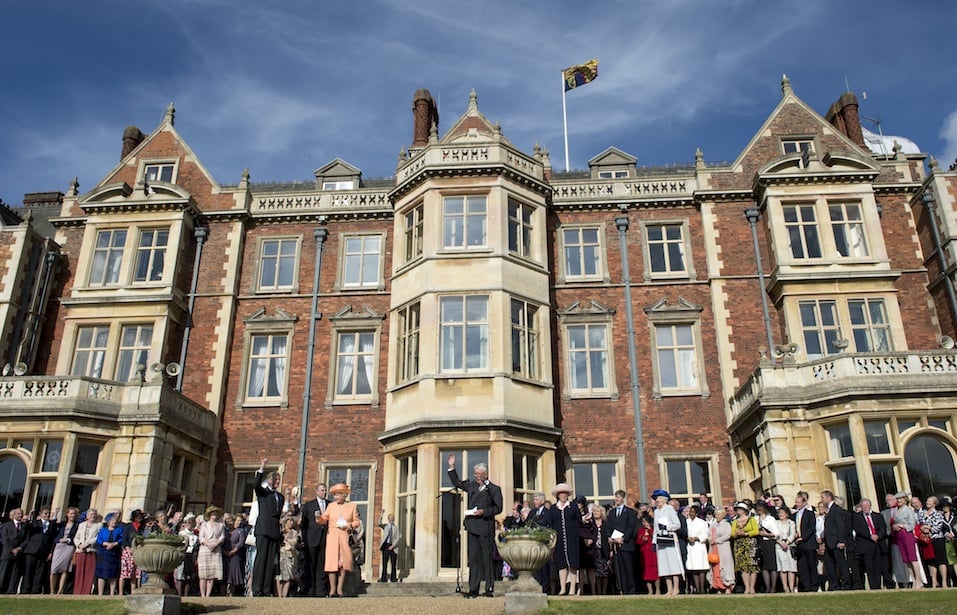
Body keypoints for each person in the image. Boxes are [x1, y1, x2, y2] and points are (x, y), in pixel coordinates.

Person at [446, 454, 503, 598]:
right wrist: (452, 467)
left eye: (479, 474)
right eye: (475, 474)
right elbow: (458, 483)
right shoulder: (471, 486)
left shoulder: (494, 489)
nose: (476, 476)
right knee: (474, 558)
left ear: (485, 474)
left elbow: (498, 508)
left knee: (487, 558)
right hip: (472, 527)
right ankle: (474, 588)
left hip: (485, 527)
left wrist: (484, 512)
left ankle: (489, 587)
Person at [319, 483, 361, 598]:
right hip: (332, 536)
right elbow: (324, 519)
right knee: (332, 563)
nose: (335, 497)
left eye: (337, 495)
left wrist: (348, 524)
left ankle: (340, 588)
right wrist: (318, 518)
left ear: (344, 496)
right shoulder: (331, 506)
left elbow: (357, 522)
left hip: (344, 535)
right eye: (335, 495)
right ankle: (332, 589)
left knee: (343, 563)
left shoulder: (352, 506)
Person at [251, 458, 284, 597]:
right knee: (261, 559)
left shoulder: (280, 497)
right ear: (270, 480)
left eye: (279, 480)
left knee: (270, 561)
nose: (278, 482)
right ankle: (257, 589)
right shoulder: (263, 493)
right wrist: (262, 468)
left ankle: (266, 589)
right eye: (276, 480)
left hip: (274, 530)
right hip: (263, 529)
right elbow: (256, 485)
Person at [300, 483, 330, 596]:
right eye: (322, 490)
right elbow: (303, 523)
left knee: (321, 565)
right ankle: (310, 589)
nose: (324, 492)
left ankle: (321, 590)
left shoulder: (329, 505)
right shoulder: (309, 505)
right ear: (317, 492)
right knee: (310, 564)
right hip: (312, 538)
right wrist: (305, 538)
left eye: (325, 490)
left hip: (325, 539)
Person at [652, 489, 682, 596]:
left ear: (665, 499)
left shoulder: (669, 509)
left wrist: (667, 527)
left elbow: (677, 524)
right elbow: (655, 528)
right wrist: (654, 542)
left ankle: (676, 588)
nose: (657, 500)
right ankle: (669, 589)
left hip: (670, 539)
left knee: (673, 563)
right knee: (664, 564)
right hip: (660, 540)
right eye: (656, 498)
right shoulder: (656, 511)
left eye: (659, 498)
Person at [607, 490, 638, 594]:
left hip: (626, 544)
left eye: (619, 497)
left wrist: (623, 538)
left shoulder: (629, 512)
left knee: (628, 568)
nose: (616, 499)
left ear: (623, 498)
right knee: (619, 568)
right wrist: (610, 537)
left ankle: (631, 589)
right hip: (616, 545)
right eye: (615, 497)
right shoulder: (612, 513)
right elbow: (609, 527)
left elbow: (631, 527)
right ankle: (622, 589)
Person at [22, 505, 57, 593]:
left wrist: (50, 552)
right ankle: (26, 589)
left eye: (48, 513)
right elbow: (26, 528)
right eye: (45, 513)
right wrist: (30, 517)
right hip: (31, 550)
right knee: (28, 571)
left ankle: (35, 590)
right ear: (40, 514)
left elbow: (52, 539)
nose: (47, 515)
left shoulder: (52, 525)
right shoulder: (35, 523)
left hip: (43, 551)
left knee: (39, 572)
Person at [821, 490, 851, 591]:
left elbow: (840, 526)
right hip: (829, 543)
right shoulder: (829, 510)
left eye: (823, 497)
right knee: (830, 565)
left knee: (841, 564)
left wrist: (841, 541)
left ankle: (846, 585)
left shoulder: (836, 509)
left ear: (829, 497)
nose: (822, 500)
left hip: (836, 542)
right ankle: (834, 585)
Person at [892, 491, 922, 588]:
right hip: (899, 535)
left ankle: (919, 580)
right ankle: (913, 579)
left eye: (901, 499)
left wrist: (902, 525)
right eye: (898, 499)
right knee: (906, 559)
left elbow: (912, 525)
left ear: (905, 500)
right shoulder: (896, 510)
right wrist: (895, 526)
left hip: (907, 534)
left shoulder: (908, 510)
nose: (899, 501)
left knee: (912, 557)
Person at [527, 492, 554, 592]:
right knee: (535, 568)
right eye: (534, 500)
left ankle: (545, 589)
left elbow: (550, 527)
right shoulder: (532, 513)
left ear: (542, 500)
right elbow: (527, 525)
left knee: (544, 568)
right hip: (533, 544)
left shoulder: (548, 512)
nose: (534, 502)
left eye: (536, 499)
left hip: (543, 544)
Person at [50, 507, 79, 594]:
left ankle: (60, 590)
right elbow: (52, 528)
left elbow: (76, 536)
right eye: (71, 513)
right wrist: (55, 514)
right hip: (59, 546)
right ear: (67, 514)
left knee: (65, 569)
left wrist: (68, 540)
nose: (72, 515)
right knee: (53, 569)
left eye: (74, 514)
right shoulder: (62, 524)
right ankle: (52, 590)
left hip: (69, 547)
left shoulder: (77, 525)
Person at [198, 505, 225, 597]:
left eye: (216, 514)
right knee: (203, 574)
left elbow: (222, 536)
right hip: (205, 548)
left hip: (216, 549)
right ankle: (202, 594)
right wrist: (208, 544)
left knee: (212, 573)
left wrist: (216, 544)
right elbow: (201, 537)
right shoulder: (204, 524)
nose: (214, 515)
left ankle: (208, 594)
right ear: (209, 515)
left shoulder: (221, 525)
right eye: (213, 514)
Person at [732, 502, 759, 594]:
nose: (738, 511)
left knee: (752, 566)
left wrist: (746, 533)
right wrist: (737, 533)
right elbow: (732, 533)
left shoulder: (751, 519)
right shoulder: (735, 521)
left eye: (740, 509)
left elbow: (756, 531)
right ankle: (747, 587)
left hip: (750, 543)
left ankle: (752, 587)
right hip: (739, 544)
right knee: (743, 566)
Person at [921, 496, 947, 588]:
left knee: (941, 560)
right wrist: (923, 529)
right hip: (927, 540)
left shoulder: (938, 514)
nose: (927, 502)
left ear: (934, 503)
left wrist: (929, 529)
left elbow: (938, 527)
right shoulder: (922, 513)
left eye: (930, 501)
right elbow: (920, 524)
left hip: (937, 539)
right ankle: (934, 581)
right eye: (927, 500)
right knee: (931, 561)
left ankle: (944, 582)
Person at [0, 508, 28, 594]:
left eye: (21, 514)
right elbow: (5, 539)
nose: (20, 515)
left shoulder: (24, 526)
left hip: (18, 554)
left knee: (15, 573)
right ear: (14, 515)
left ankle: (11, 590)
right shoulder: (6, 525)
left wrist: (19, 548)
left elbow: (26, 539)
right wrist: (11, 549)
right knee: (3, 572)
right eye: (18, 514)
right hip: (7, 553)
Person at [95, 512, 123, 596]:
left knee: (113, 573)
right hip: (103, 553)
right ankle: (100, 593)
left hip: (114, 553)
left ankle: (112, 593)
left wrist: (114, 544)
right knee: (101, 573)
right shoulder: (103, 530)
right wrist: (105, 544)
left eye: (115, 520)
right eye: (112, 520)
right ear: (108, 521)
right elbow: (98, 540)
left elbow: (121, 539)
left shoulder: (119, 529)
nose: (114, 522)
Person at [685, 504, 709, 594]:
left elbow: (705, 535)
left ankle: (702, 588)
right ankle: (697, 589)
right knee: (694, 568)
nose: (691, 514)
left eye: (692, 512)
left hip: (699, 546)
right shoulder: (687, 522)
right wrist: (688, 538)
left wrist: (697, 538)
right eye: (690, 512)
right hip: (691, 547)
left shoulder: (702, 522)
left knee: (701, 567)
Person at [709, 507, 734, 593]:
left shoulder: (726, 524)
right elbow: (709, 534)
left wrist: (717, 540)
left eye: (718, 514)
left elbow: (727, 535)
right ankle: (718, 586)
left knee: (725, 567)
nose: (717, 516)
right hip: (714, 548)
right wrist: (710, 540)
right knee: (715, 567)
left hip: (723, 548)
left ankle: (727, 586)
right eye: (715, 514)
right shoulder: (713, 524)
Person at [755, 502, 779, 593]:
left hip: (769, 542)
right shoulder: (755, 519)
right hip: (761, 542)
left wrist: (767, 534)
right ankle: (767, 587)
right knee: (764, 566)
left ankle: (773, 587)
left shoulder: (770, 519)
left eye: (761, 508)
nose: (759, 510)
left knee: (772, 565)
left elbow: (776, 533)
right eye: (758, 508)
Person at [773, 506, 797, 592]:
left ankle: (791, 587)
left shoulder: (791, 523)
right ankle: (785, 587)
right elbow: (775, 534)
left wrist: (787, 543)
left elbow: (793, 534)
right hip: (779, 546)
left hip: (789, 545)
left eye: (782, 513)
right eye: (779, 513)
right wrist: (780, 543)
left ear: (787, 514)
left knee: (791, 567)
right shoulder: (776, 523)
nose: (780, 514)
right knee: (782, 567)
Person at [276, 516, 299, 597]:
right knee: (279, 576)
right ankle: (279, 595)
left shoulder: (294, 532)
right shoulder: (281, 532)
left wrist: (287, 541)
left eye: (292, 522)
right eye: (289, 521)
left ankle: (285, 595)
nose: (291, 523)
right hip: (281, 555)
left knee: (288, 575)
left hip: (290, 555)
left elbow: (294, 542)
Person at [636, 514, 658, 593]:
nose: (644, 523)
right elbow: (638, 541)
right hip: (644, 554)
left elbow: (656, 538)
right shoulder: (641, 530)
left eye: (645, 522)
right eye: (643, 522)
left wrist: (649, 530)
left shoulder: (653, 529)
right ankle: (650, 591)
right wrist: (643, 539)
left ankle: (657, 590)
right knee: (646, 574)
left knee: (655, 573)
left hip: (652, 554)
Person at [225, 515, 247, 596]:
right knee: (226, 573)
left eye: (241, 520)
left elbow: (241, 543)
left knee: (233, 574)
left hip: (235, 555)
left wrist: (233, 551)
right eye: (238, 520)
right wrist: (224, 552)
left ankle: (231, 593)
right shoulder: (226, 531)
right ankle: (223, 592)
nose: (239, 522)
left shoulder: (240, 531)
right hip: (225, 554)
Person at [378, 510, 400, 583]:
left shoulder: (396, 527)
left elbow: (398, 537)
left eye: (392, 518)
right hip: (386, 546)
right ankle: (383, 578)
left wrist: (393, 545)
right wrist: (381, 515)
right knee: (385, 563)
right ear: (388, 519)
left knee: (393, 563)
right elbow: (379, 523)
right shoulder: (386, 526)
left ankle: (393, 578)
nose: (391, 519)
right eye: (390, 518)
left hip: (393, 546)